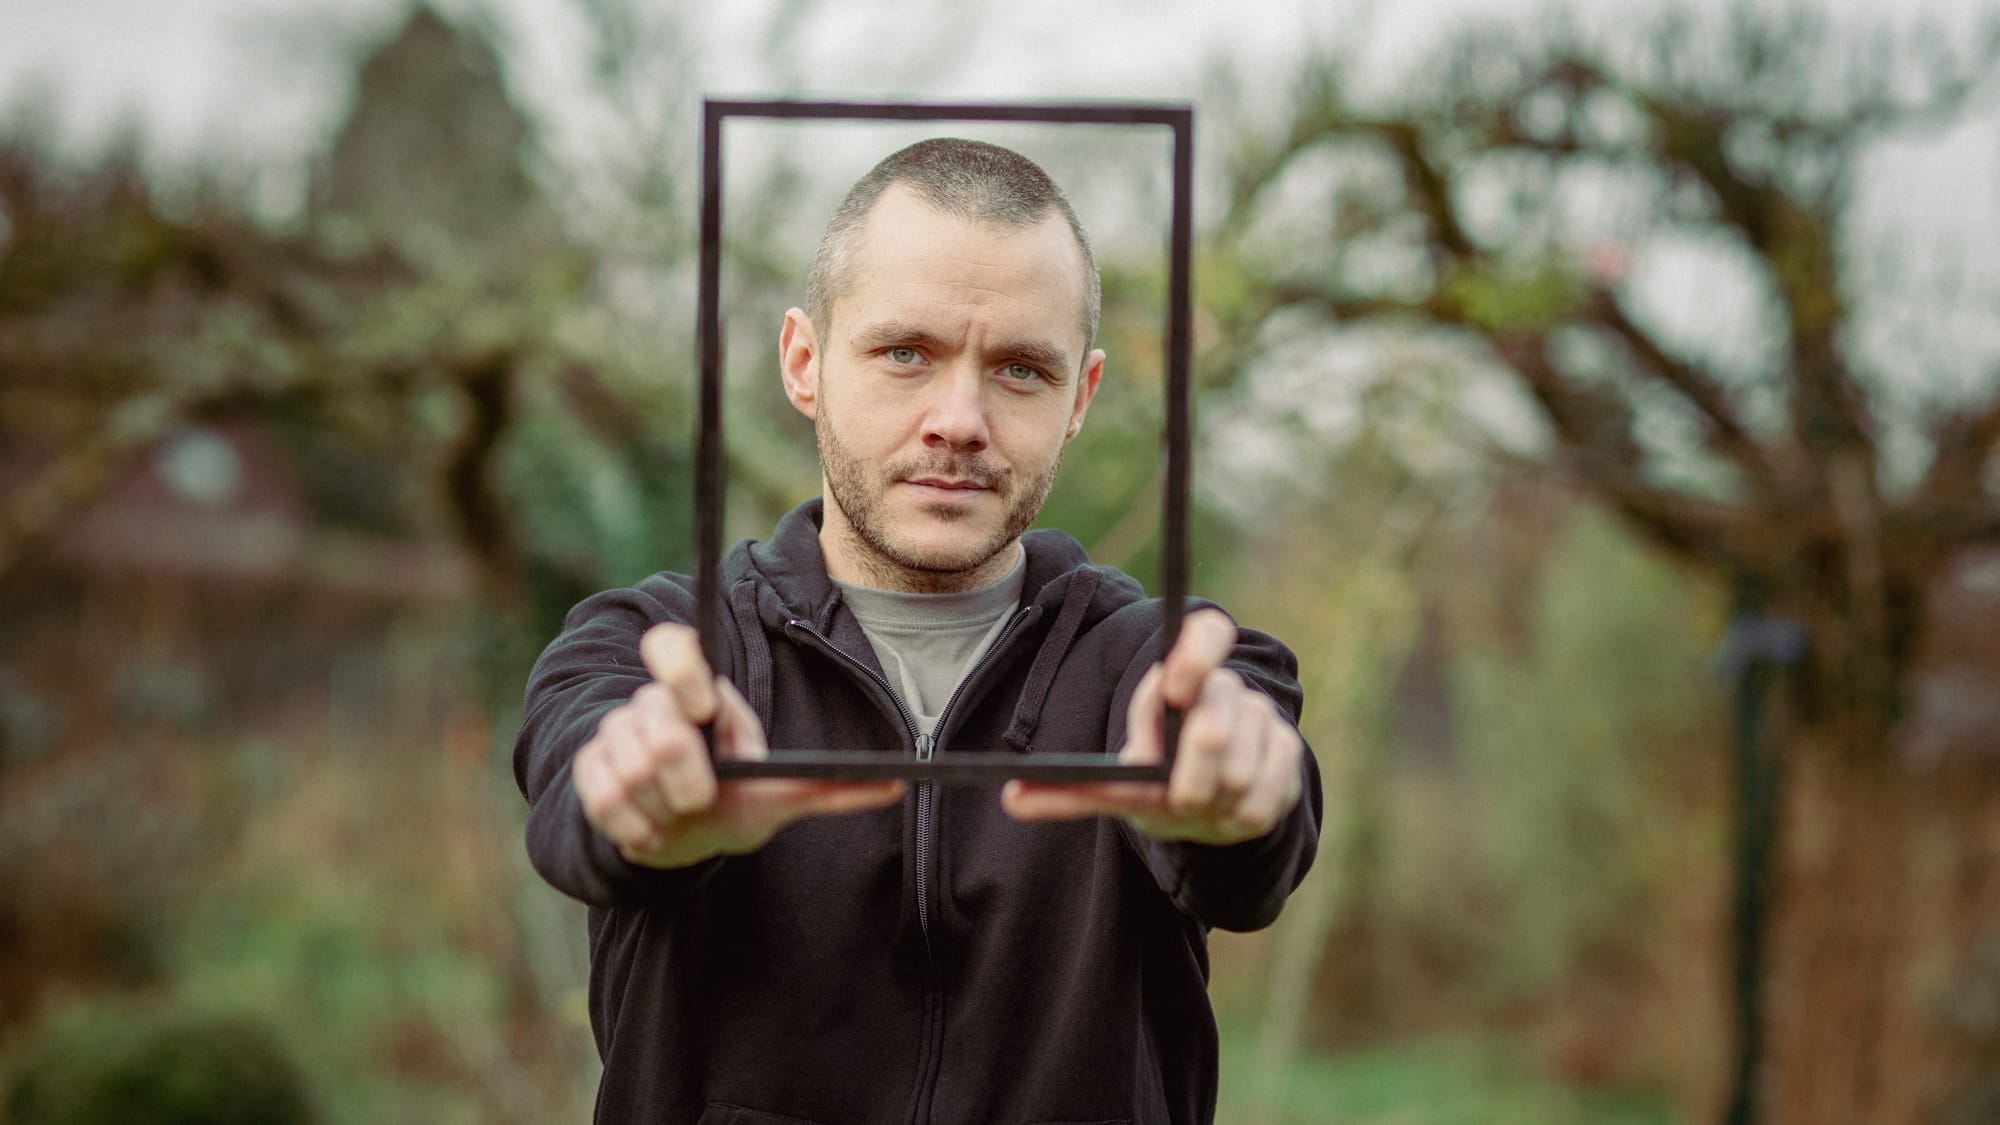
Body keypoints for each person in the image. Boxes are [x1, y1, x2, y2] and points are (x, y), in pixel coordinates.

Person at [515, 138, 1322, 1125]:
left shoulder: (1167, 670)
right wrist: (633, 797)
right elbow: (574, 791)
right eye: (906, 353)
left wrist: (1238, 798)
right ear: (803, 363)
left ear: (1082, 399)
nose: (958, 418)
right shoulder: (645, 647)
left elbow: (1257, 833)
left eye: (1021, 369)